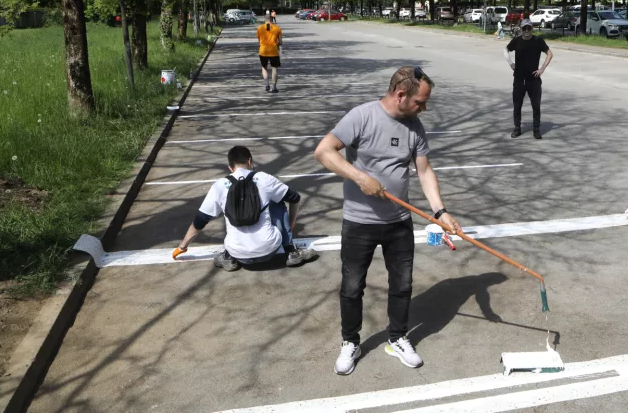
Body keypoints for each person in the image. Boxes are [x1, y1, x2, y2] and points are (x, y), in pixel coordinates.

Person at [314, 66, 462, 376]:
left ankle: (397, 338)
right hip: (358, 222)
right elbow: (324, 151)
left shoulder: (415, 127)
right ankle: (350, 342)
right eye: (420, 101)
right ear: (400, 95)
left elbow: (424, 171)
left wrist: (440, 212)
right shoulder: (362, 117)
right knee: (352, 286)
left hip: (399, 222)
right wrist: (359, 177)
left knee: (403, 284)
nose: (424, 108)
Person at [172, 146, 318, 271]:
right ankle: (291, 252)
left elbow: (200, 220)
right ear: (250, 161)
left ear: (230, 167)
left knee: (225, 209)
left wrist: (182, 246)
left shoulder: (220, 185)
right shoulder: (263, 178)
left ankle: (228, 258)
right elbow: (295, 198)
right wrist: (291, 224)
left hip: (238, 254)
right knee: (277, 200)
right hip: (269, 249)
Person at [504, 18, 553, 139]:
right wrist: (510, 63)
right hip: (519, 78)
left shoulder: (538, 40)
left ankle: (536, 129)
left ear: (532, 28)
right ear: (520, 29)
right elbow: (505, 49)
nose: (526, 31)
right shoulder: (516, 41)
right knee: (517, 104)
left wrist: (542, 69)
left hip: (533, 79)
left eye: (528, 28)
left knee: (536, 104)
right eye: (524, 28)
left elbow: (549, 54)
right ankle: (517, 128)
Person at [256, 11, 283, 93]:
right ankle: (274, 87)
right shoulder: (277, 28)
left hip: (263, 51)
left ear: (265, 19)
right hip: (273, 51)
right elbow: (281, 42)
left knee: (264, 67)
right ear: (272, 19)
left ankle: (267, 84)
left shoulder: (259, 28)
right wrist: (276, 45)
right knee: (274, 68)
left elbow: (259, 41)